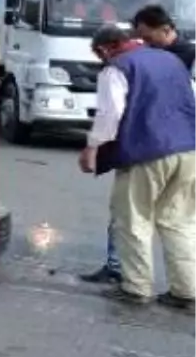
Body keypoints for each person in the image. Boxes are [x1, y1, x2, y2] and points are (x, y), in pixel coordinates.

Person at [79, 25, 196, 307]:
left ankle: (136, 288)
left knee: (133, 220)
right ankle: (187, 292)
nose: (101, 61)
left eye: (99, 56)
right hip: (190, 149)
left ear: (105, 48)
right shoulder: (171, 60)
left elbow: (110, 114)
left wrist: (92, 147)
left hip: (146, 151)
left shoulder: (117, 68)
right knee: (179, 222)